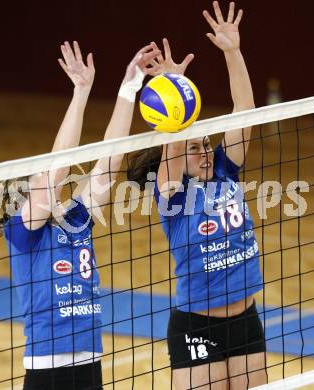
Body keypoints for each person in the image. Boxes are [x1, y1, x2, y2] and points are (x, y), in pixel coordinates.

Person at [0, 41, 161, 390]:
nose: (46, 182)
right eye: (37, 183)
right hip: (47, 371)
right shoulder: (21, 233)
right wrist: (80, 93)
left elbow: (110, 160)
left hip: (89, 364)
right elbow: (56, 168)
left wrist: (129, 87)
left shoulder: (77, 218)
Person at [128, 2, 267, 389]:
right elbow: (173, 146)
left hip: (247, 322)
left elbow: (246, 110)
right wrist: (173, 90)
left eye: (207, 145)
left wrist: (232, 51)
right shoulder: (172, 195)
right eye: (196, 148)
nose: (205, 152)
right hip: (198, 327)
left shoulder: (225, 169)